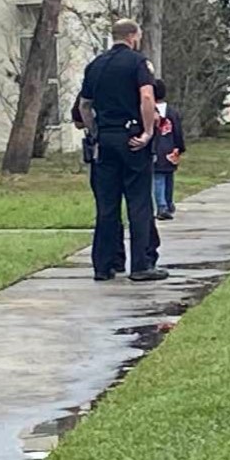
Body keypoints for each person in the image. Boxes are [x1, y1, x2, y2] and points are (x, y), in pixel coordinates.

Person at [76, 19, 167, 281]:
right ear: (132, 36)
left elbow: (84, 106)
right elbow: (147, 97)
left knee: (107, 205)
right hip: (131, 138)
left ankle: (104, 265)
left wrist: (96, 132)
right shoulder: (138, 63)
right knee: (139, 202)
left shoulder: (95, 65)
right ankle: (141, 264)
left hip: (105, 140)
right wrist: (147, 132)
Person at [150, 79, 186, 220]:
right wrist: (179, 147)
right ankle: (168, 203)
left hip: (156, 148)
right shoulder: (172, 112)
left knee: (158, 178)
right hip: (170, 148)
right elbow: (178, 131)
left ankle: (162, 206)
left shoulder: (149, 110)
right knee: (168, 178)